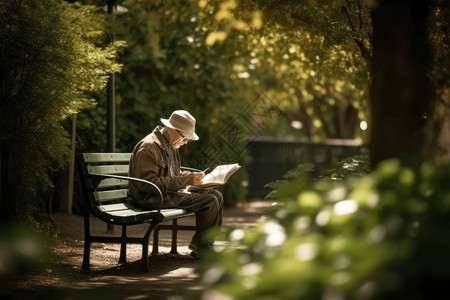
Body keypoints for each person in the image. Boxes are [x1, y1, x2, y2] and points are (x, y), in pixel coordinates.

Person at [128, 110, 224, 258]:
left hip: (167, 194)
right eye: (185, 137)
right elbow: (147, 184)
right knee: (209, 201)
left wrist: (196, 181)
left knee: (216, 195)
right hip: (151, 198)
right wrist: (186, 180)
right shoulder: (149, 147)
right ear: (171, 130)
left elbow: (174, 175)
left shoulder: (170, 145)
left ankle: (207, 244)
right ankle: (201, 247)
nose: (186, 142)